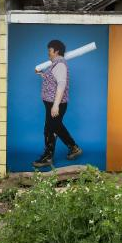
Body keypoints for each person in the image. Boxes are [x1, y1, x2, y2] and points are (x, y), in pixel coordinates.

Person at [32, 39, 83, 168]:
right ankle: (73, 148)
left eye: (50, 50)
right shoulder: (55, 64)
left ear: (56, 51)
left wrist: (55, 105)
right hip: (51, 103)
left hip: (56, 104)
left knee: (51, 129)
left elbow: (61, 85)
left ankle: (49, 157)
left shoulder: (60, 65)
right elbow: (53, 79)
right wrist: (42, 74)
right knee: (54, 127)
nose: (48, 53)